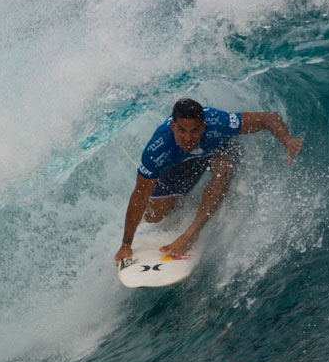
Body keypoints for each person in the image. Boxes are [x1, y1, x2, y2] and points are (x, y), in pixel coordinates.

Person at [114, 98, 303, 265]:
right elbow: (140, 194)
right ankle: (182, 198)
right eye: (181, 130)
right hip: (182, 161)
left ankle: (192, 233)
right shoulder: (158, 149)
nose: (188, 137)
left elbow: (267, 118)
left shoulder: (218, 122)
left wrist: (287, 140)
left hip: (218, 150)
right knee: (154, 216)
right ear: (173, 127)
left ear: (203, 126)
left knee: (224, 169)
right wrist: (125, 245)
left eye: (195, 130)